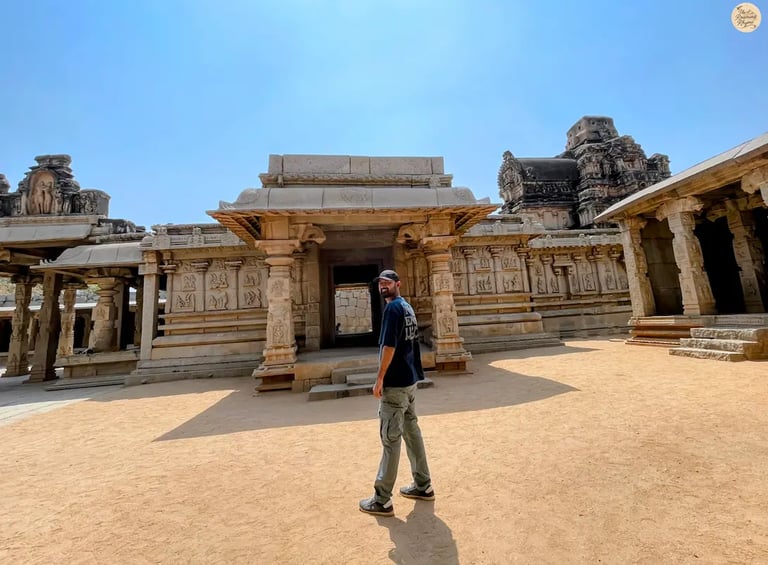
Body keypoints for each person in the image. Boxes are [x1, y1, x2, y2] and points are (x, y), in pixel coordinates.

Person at [359, 269, 434, 517]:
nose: (383, 286)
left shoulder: (392, 310)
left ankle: (382, 499)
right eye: (380, 282)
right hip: (409, 381)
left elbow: (389, 347)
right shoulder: (407, 307)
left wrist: (380, 378)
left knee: (390, 440)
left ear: (397, 284)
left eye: (387, 282)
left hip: (396, 385)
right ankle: (423, 485)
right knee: (412, 433)